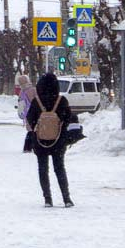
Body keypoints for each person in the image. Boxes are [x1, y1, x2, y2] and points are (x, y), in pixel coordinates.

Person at [25, 73, 74, 208]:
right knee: (59, 168)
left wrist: (39, 126)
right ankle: (66, 198)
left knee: (42, 168)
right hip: (58, 141)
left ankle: (47, 199)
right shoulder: (61, 100)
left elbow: (30, 119)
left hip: (40, 141)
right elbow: (68, 118)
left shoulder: (37, 101)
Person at [17, 74, 37, 153]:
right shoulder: (33, 90)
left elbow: (21, 104)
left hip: (27, 113)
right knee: (35, 130)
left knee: (30, 130)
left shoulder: (22, 92)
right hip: (35, 112)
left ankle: (27, 147)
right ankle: (31, 147)